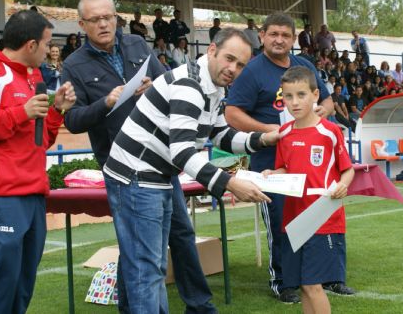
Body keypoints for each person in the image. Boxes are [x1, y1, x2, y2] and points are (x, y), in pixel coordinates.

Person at [61, 0, 217, 314]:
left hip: (160, 158)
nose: (104, 24)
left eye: (109, 17)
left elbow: (169, 83)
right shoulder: (73, 65)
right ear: (81, 24)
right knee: (139, 248)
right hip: (123, 169)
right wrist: (104, 103)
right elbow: (72, 120)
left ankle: (200, 306)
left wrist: (154, 86)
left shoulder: (135, 44)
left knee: (181, 234)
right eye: (95, 20)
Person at [104, 28, 277, 313]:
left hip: (155, 174)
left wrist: (263, 139)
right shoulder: (190, 85)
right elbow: (183, 152)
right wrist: (231, 184)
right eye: (229, 59)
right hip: (136, 176)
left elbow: (221, 135)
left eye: (241, 64)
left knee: (143, 263)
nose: (233, 69)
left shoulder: (212, 86)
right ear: (211, 50)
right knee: (148, 268)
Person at [225, 12, 352, 304]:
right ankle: (282, 281)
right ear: (262, 36)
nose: (279, 40)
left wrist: (321, 112)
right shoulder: (252, 71)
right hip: (273, 161)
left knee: (322, 220)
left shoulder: (304, 65)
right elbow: (231, 114)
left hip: (313, 163)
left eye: (285, 35)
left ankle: (330, 276)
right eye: (273, 34)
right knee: (283, 224)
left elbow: (329, 99)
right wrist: (270, 130)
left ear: (293, 38)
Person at [0, 10, 76, 314]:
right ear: (30, 45)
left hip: (33, 193)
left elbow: (40, 140)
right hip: (0, 196)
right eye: (48, 43)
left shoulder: (35, 77)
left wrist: (56, 111)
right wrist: (19, 113)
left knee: (22, 286)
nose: (51, 51)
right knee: (1, 285)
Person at [262, 66, 355, 314]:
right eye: (288, 96)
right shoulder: (284, 133)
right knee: (302, 285)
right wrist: (271, 175)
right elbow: (284, 169)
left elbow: (348, 170)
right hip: (293, 219)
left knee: (314, 285)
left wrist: (342, 186)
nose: (294, 102)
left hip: (322, 216)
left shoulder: (330, 131)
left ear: (315, 95)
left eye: (301, 95)